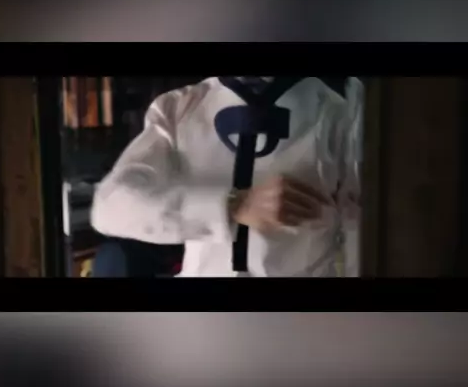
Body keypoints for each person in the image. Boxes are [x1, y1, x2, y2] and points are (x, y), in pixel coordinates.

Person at [91, 76, 360, 277]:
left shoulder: (342, 115)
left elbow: (362, 237)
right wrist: (232, 205)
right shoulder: (177, 109)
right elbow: (111, 206)